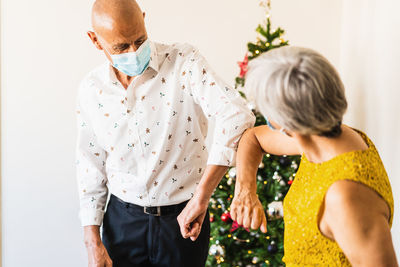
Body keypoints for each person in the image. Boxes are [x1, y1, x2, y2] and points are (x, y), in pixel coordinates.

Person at [76, 0, 255, 266]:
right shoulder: (92, 89)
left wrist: (202, 197)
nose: (134, 52)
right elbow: (90, 165)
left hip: (184, 218)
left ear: (144, 19)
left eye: (140, 39)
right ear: (95, 40)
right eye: (121, 47)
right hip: (122, 222)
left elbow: (237, 115)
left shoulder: (185, 62)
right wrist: (92, 241)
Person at [229, 46, 398, 266]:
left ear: (288, 123)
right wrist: (245, 191)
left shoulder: (346, 196)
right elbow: (253, 138)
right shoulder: (321, 139)